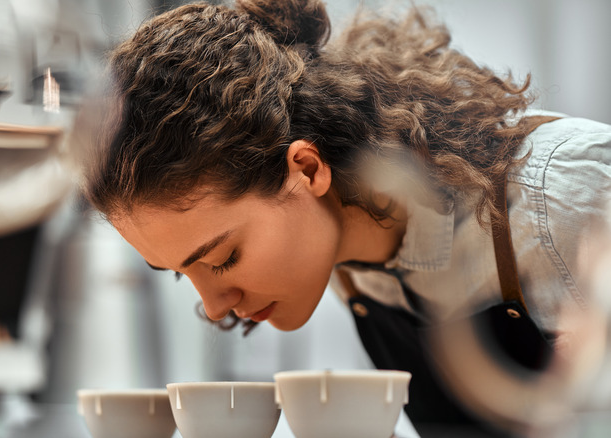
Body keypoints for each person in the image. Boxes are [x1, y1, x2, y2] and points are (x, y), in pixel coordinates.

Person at [79, 0, 611, 434]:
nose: (215, 308)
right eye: (179, 271)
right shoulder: (341, 258)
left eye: (224, 257)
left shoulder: (567, 194)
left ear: (307, 169)